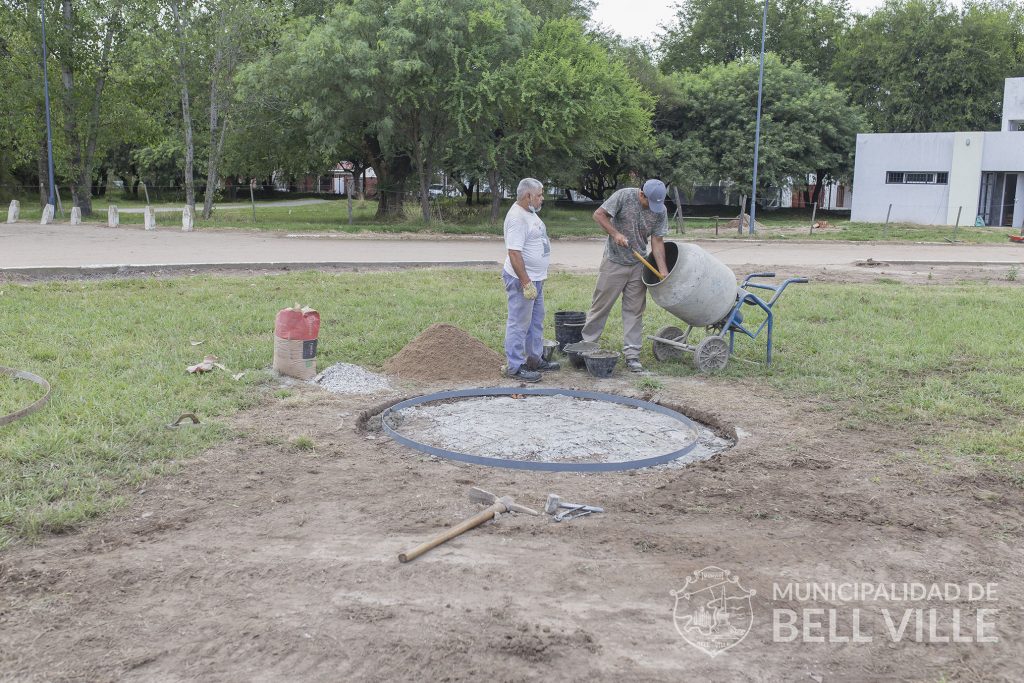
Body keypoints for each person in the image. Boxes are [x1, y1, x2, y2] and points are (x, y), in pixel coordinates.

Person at [581, 179, 670, 373]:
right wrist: (615, 234)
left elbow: (657, 240)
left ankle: (632, 355)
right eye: (649, 203)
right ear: (641, 194)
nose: (653, 209)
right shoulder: (624, 196)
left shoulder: (660, 210)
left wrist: (662, 269)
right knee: (600, 306)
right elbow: (599, 215)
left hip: (639, 264)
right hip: (614, 261)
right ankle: (587, 348)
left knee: (634, 310)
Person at [502, 177, 560, 382]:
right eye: (539, 195)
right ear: (528, 196)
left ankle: (534, 360)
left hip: (536, 279)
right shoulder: (517, 218)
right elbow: (514, 253)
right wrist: (526, 282)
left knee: (536, 321)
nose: (542, 198)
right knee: (519, 322)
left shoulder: (530, 213)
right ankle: (515, 366)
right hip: (523, 280)